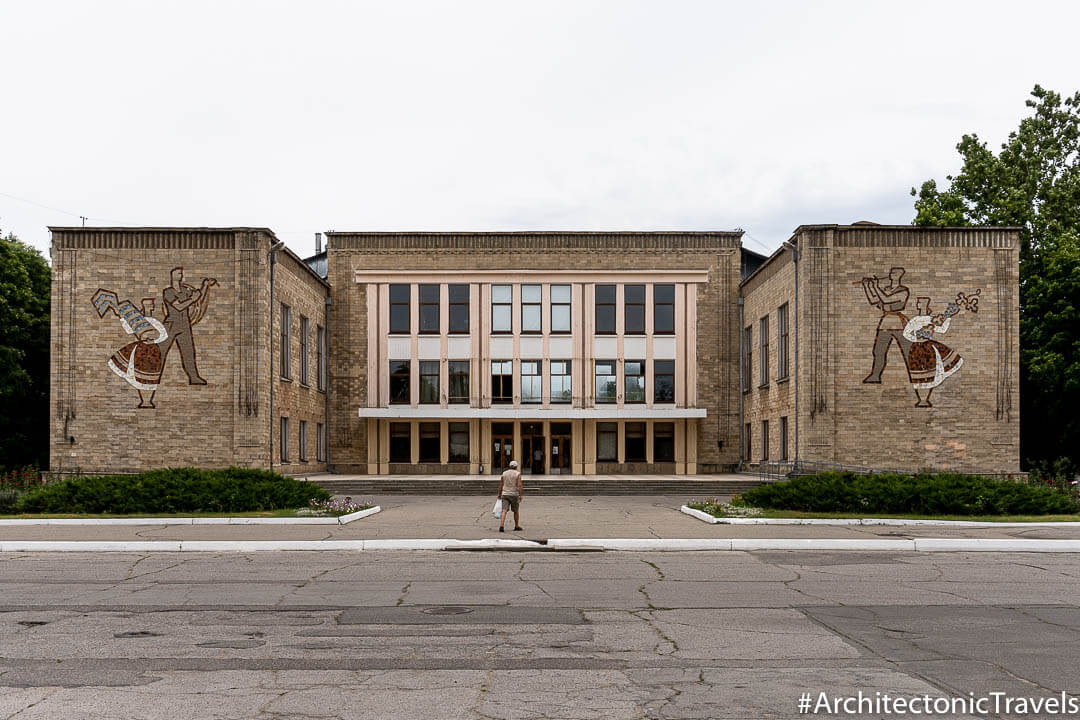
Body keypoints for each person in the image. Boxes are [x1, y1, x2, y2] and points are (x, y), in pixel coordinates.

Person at [902, 298, 964, 408]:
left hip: (929, 347)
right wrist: (916, 338)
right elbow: (906, 333)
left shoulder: (931, 319)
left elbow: (942, 329)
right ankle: (921, 400)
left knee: (932, 372)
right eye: (919, 303)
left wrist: (948, 316)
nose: (919, 305)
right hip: (917, 348)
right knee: (919, 373)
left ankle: (925, 399)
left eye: (921, 303)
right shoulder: (915, 320)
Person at [860, 267, 912, 384]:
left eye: (895, 272)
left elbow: (886, 299)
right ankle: (875, 375)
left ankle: (915, 375)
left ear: (901, 274)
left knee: (907, 351)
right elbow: (874, 300)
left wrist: (876, 286)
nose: (891, 274)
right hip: (885, 323)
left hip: (898, 324)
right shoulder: (886, 289)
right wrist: (867, 286)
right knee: (878, 351)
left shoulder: (903, 290)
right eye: (891, 272)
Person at [497, 460, 523, 532]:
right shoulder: (517, 474)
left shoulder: (504, 473)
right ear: (516, 467)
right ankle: (516, 526)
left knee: (504, 511)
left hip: (505, 494)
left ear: (509, 466)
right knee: (516, 511)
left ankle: (501, 525)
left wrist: (499, 494)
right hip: (514, 494)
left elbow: (501, 484)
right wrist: (521, 495)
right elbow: (519, 485)